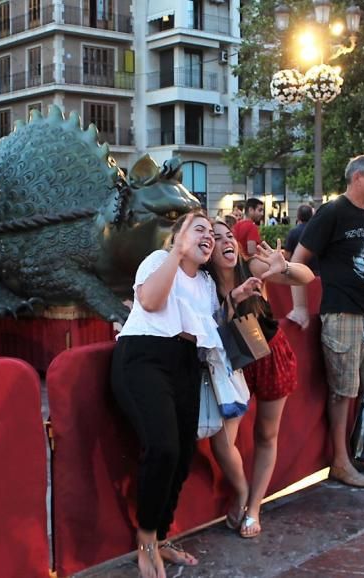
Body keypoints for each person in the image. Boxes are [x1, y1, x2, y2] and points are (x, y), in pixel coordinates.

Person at [111, 212, 260, 578]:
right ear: (178, 236)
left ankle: (161, 536)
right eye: (200, 229)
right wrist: (176, 253)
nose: (209, 236)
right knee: (162, 447)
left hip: (185, 363)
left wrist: (234, 299)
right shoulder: (160, 261)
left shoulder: (208, 284)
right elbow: (149, 302)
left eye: (212, 232)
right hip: (143, 356)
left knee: (182, 453)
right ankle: (146, 540)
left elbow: (208, 326)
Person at [287, 154, 364, 487]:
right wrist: (300, 307)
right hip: (342, 311)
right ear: (358, 177)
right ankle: (339, 460)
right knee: (342, 392)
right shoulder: (332, 212)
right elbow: (298, 259)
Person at [206, 220, 314, 539]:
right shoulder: (202, 280)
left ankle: (254, 507)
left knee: (266, 433)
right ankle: (240, 492)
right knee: (222, 440)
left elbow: (306, 277)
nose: (226, 242)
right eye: (216, 238)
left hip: (268, 353)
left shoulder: (250, 265)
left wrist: (287, 268)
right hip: (231, 363)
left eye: (229, 236)